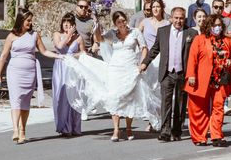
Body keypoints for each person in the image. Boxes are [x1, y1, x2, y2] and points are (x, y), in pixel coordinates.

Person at [63, 10, 161, 142]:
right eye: (118, 21)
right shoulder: (112, 34)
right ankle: (116, 129)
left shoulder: (135, 32)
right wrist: (96, 25)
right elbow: (99, 39)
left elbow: (144, 48)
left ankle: (128, 128)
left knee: (129, 99)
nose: (122, 23)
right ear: (115, 23)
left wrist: (142, 64)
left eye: (123, 20)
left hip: (131, 69)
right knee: (114, 97)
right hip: (115, 70)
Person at [0, 8, 62, 144]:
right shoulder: (11, 36)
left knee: (25, 100)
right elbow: (3, 56)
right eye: (28, 20)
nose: (30, 23)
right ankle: (15, 129)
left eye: (31, 20)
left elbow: (44, 51)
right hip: (14, 72)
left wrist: (58, 56)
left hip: (30, 72)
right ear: (21, 20)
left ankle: (23, 130)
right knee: (16, 99)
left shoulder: (35, 35)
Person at [185, 14, 231, 146]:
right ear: (209, 26)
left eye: (219, 25)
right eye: (214, 25)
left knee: (218, 107)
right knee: (198, 109)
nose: (217, 28)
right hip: (202, 79)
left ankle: (216, 136)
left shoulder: (227, 41)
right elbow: (192, 58)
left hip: (221, 79)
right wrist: (191, 75)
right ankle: (199, 137)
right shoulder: (200, 39)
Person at [140, 7, 189, 142]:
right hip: (167, 72)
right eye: (176, 18)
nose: (179, 21)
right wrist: (145, 63)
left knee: (180, 104)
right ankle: (165, 132)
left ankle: (177, 131)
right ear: (171, 18)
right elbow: (155, 49)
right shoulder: (163, 32)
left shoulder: (190, 33)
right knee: (166, 104)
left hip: (182, 73)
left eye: (181, 18)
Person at [52, 13, 86, 137]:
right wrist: (68, 36)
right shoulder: (57, 34)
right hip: (60, 68)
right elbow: (59, 46)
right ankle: (64, 127)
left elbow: (83, 52)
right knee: (60, 98)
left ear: (73, 24)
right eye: (64, 21)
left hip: (72, 69)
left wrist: (73, 56)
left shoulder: (78, 38)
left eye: (69, 22)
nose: (66, 24)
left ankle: (75, 127)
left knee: (74, 96)